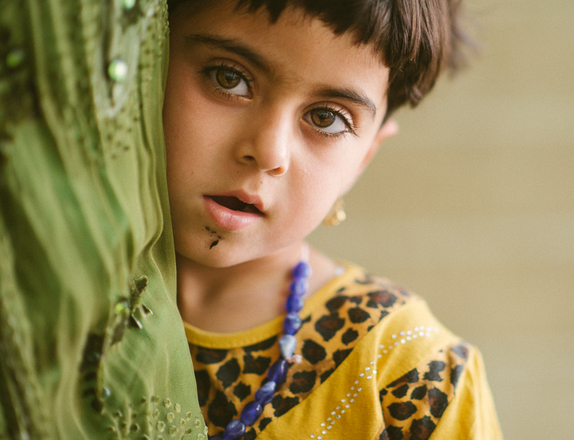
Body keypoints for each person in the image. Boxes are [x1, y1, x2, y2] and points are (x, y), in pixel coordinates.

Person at [162, 0, 503, 439]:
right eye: (230, 78)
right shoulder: (62, 290)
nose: (269, 152)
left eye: (326, 119)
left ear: (364, 157)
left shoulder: (412, 375)